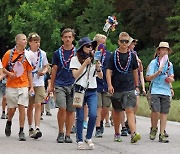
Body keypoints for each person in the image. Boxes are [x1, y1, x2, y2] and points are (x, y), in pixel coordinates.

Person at [106, 32, 141, 143]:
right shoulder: (113, 55)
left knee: (129, 110)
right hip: (116, 88)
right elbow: (108, 71)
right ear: (118, 42)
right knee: (117, 111)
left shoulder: (132, 56)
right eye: (122, 41)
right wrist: (110, 85)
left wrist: (137, 85)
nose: (124, 43)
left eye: (126, 41)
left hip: (129, 87)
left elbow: (135, 71)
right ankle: (117, 133)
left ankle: (133, 133)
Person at [70, 36, 103, 150]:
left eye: (91, 46)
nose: (90, 48)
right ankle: (79, 139)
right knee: (80, 116)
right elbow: (75, 75)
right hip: (79, 89)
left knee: (93, 114)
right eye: (87, 46)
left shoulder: (95, 59)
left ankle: (88, 137)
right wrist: (85, 64)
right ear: (82, 48)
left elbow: (100, 76)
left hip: (92, 89)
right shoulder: (75, 59)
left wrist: (98, 67)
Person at [2, 33, 34, 141]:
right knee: (12, 108)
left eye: (26, 40)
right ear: (18, 41)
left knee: (22, 107)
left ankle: (21, 131)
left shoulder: (28, 55)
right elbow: (3, 68)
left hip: (23, 85)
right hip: (11, 85)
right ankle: (9, 121)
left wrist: (31, 86)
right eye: (24, 40)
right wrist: (9, 74)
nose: (25, 41)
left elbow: (29, 72)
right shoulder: (9, 54)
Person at [50, 28, 76, 143]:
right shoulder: (57, 53)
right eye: (65, 37)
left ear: (73, 38)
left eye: (70, 37)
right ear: (62, 38)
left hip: (73, 84)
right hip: (60, 83)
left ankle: (68, 134)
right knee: (62, 108)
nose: (68, 39)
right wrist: (51, 85)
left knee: (71, 110)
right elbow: (54, 69)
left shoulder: (77, 52)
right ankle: (60, 132)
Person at [146, 42, 174, 143]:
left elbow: (172, 77)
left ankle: (162, 133)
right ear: (158, 51)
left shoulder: (170, 64)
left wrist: (170, 80)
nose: (164, 51)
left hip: (165, 90)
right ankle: (154, 128)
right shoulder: (154, 63)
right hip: (155, 90)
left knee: (164, 112)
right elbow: (148, 78)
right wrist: (158, 72)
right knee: (156, 111)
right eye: (163, 49)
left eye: (166, 50)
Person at [26, 32, 49, 139]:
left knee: (38, 104)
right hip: (29, 82)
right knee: (30, 106)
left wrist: (44, 71)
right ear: (30, 43)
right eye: (35, 42)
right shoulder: (26, 54)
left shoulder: (42, 54)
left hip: (39, 82)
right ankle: (30, 127)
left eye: (38, 41)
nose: (37, 44)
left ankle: (37, 127)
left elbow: (46, 66)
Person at [93, 34, 112, 138]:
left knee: (106, 107)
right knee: (98, 107)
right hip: (95, 84)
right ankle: (97, 127)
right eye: (100, 43)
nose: (102, 46)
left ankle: (101, 121)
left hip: (106, 83)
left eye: (104, 44)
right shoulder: (92, 55)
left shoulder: (109, 55)